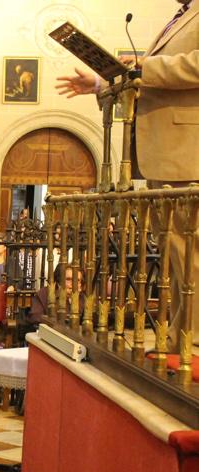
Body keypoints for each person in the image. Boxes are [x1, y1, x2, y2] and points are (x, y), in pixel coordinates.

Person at [55, 0, 199, 347]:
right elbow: (142, 82)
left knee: (192, 258)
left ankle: (194, 344)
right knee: (177, 260)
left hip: (187, 154)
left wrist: (143, 67)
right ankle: (184, 341)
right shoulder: (180, 16)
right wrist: (102, 84)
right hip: (164, 154)